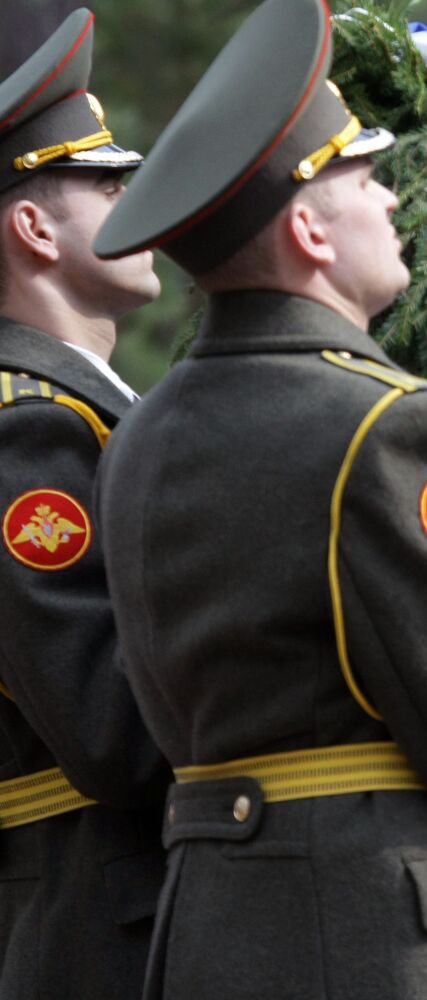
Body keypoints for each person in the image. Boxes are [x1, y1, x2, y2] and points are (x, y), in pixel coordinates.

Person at [89, 1, 427, 997]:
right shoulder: (391, 428)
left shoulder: (138, 434)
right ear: (310, 228)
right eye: (366, 176)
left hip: (207, 936)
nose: (393, 201)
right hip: (395, 942)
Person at [0, 9, 169, 999]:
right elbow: (111, 725)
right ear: (32, 226)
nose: (136, 196)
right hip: (93, 923)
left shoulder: (81, 410)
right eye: (107, 181)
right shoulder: (26, 432)